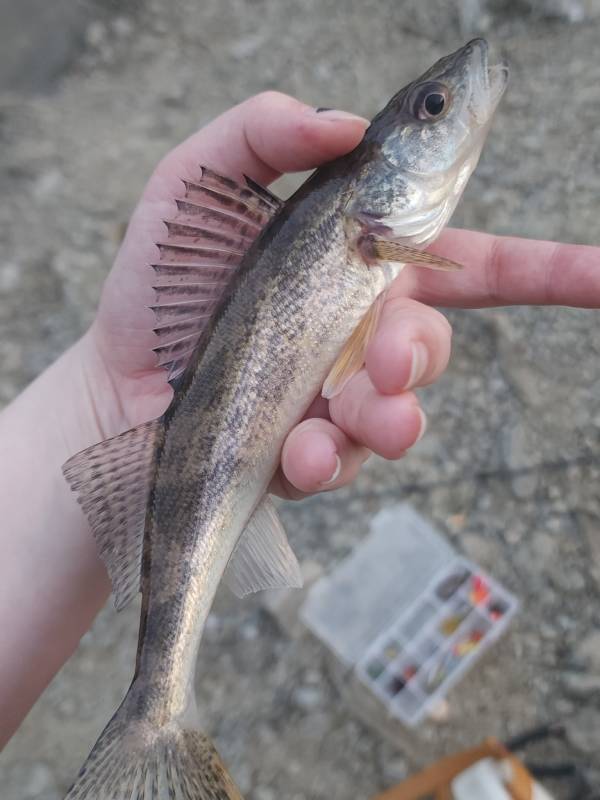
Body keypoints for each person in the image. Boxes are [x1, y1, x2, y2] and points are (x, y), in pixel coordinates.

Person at [0, 92, 598, 748]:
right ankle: (157, 710)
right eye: (434, 108)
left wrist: (100, 403)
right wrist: (104, 398)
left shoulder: (372, 233)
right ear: (378, 175)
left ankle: (154, 706)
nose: (456, 111)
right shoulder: (364, 229)